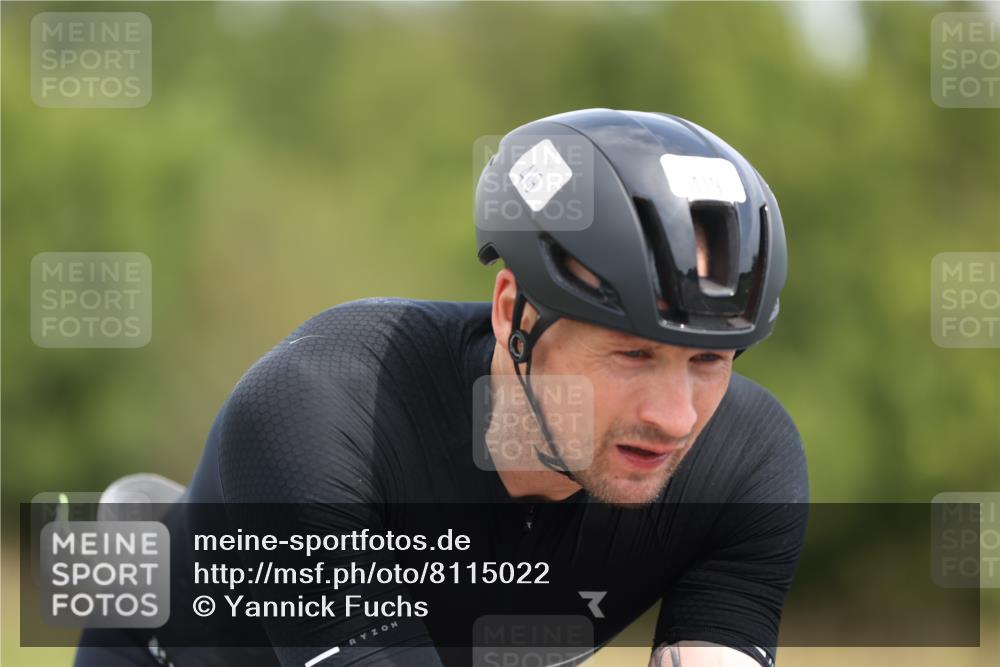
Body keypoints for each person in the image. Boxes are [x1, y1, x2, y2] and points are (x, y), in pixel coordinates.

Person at [75, 108, 808, 667]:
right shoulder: (322, 413)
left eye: (710, 361)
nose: (676, 417)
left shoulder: (746, 465)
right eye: (632, 354)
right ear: (512, 310)